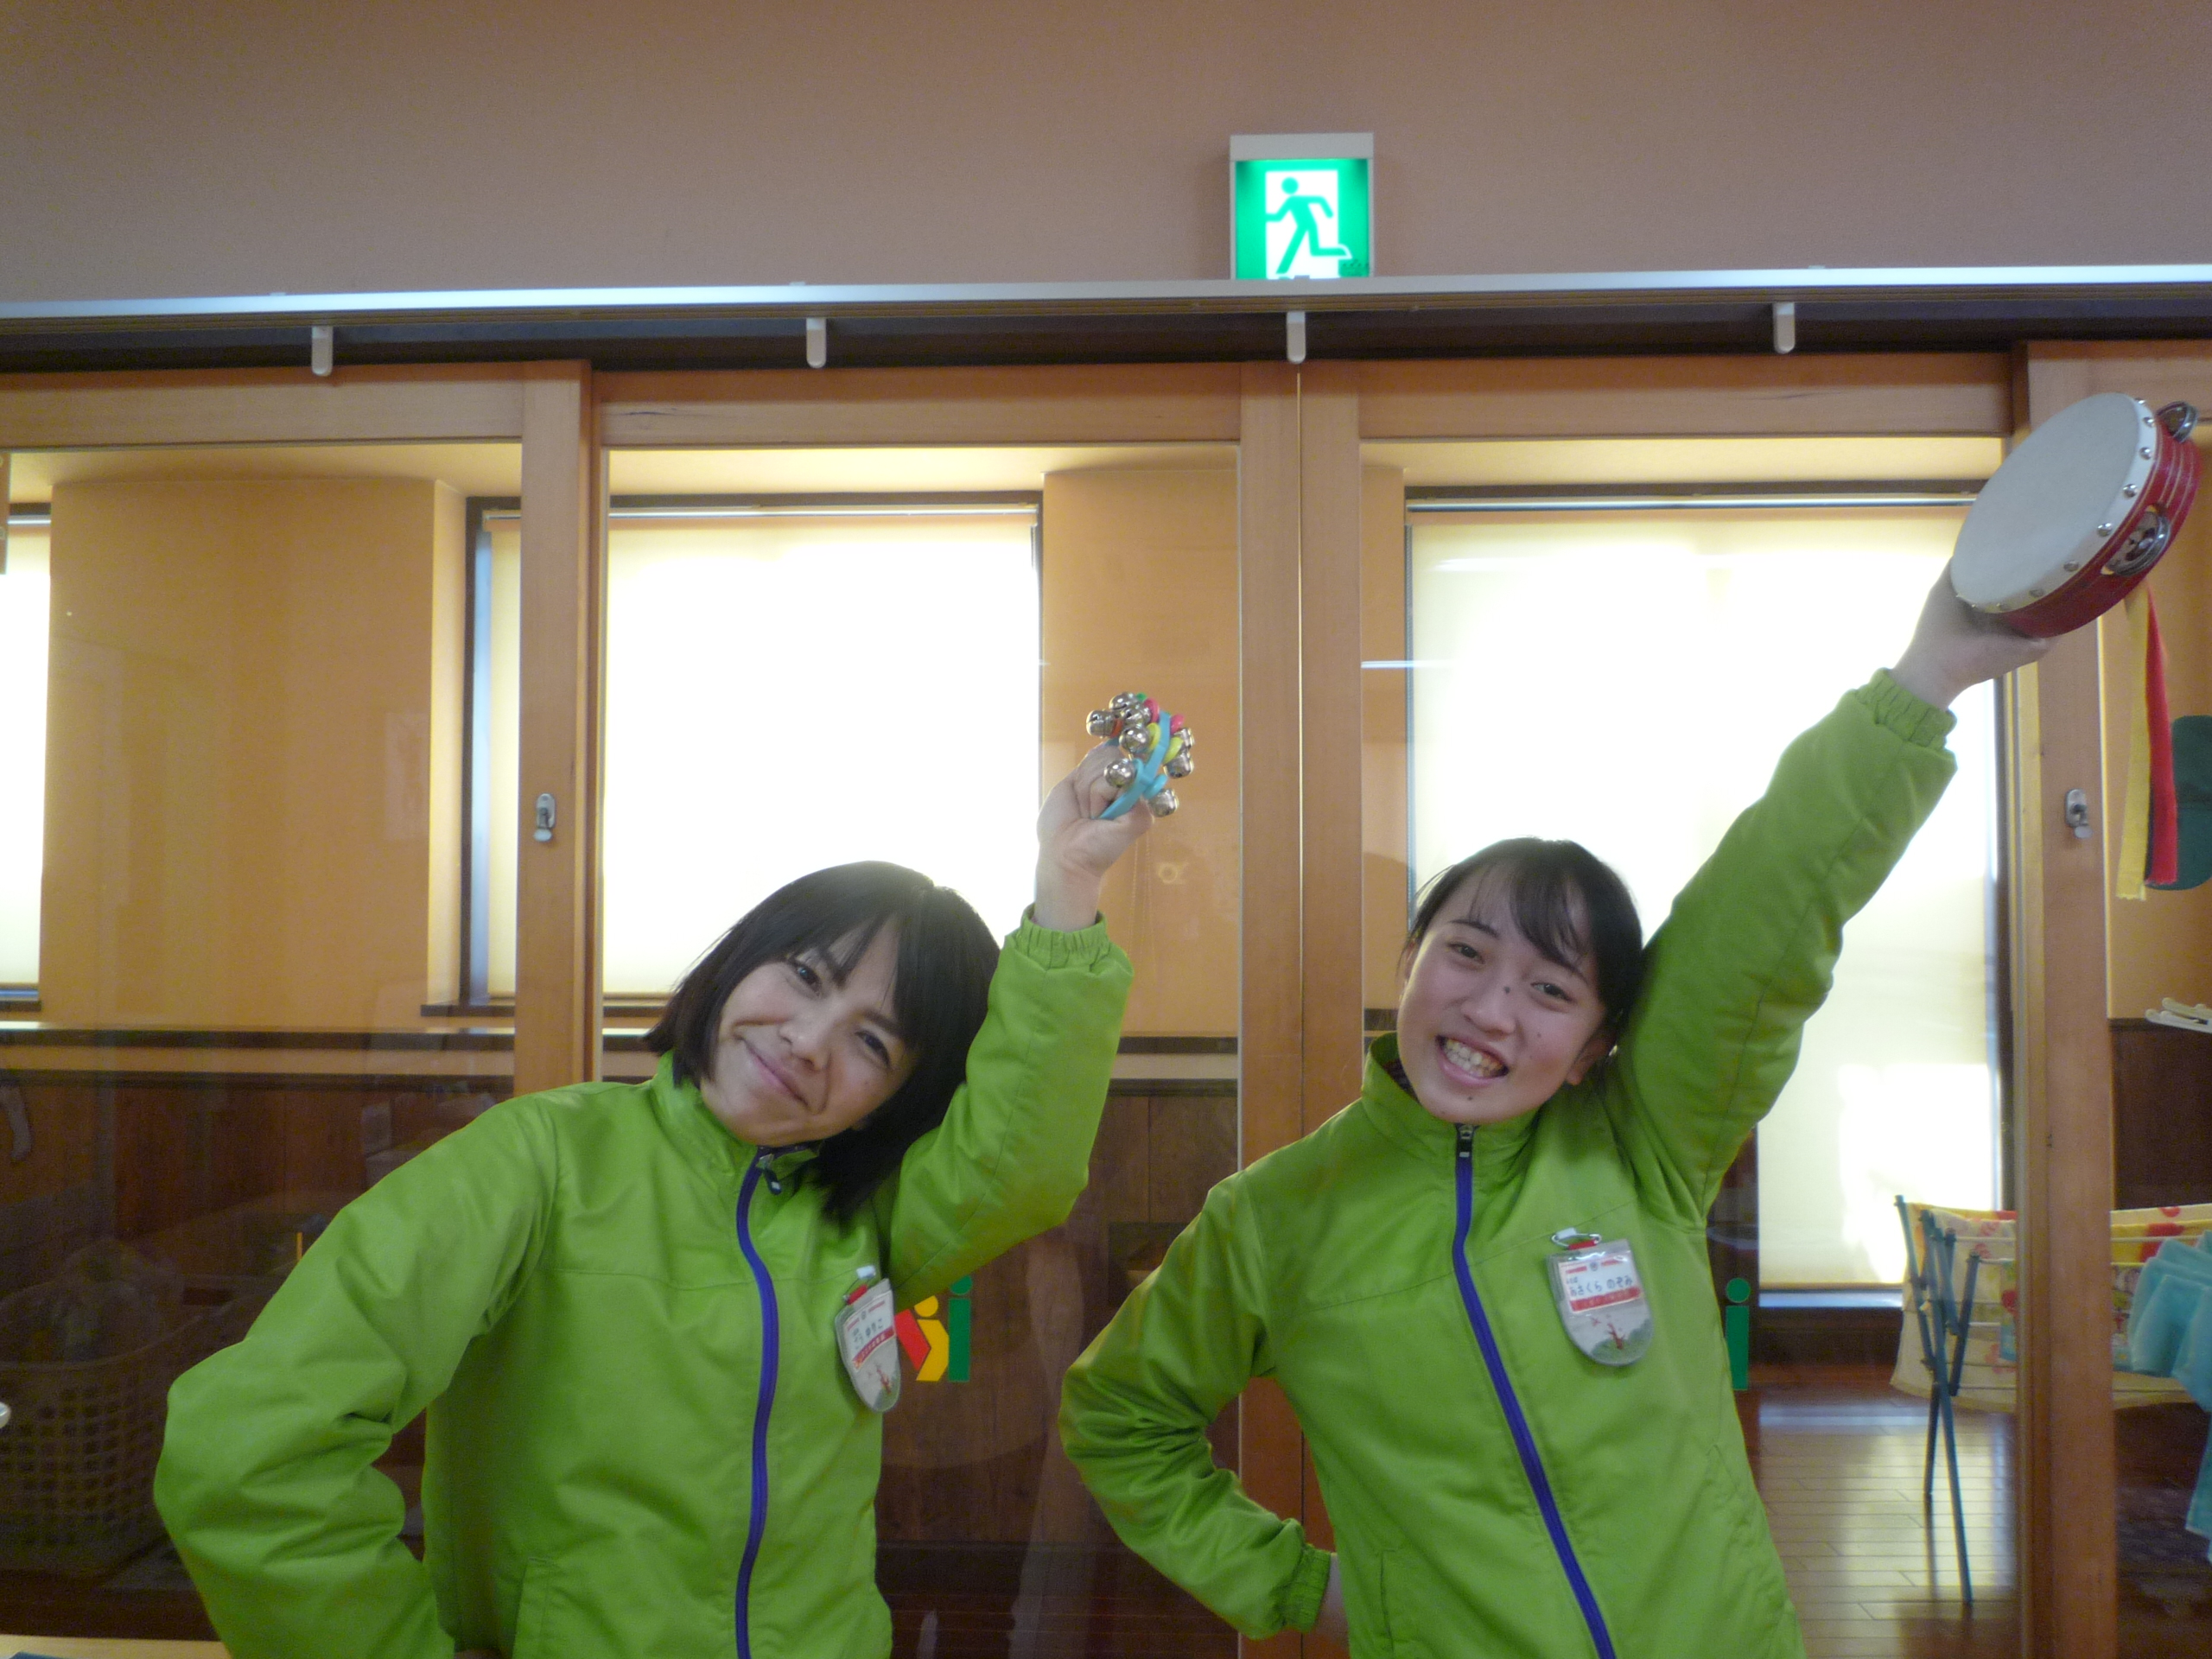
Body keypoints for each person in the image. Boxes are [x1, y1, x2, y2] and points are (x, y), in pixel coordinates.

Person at [1058, 574, 2044, 1658]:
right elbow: (1119, 1419)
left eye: (1549, 988)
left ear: (1594, 1048)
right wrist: (1297, 1585)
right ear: (1410, 960)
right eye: (1465, 953)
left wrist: (1927, 677)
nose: (1490, 1010)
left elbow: (1765, 906)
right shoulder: (1272, 1219)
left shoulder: (1643, 1144)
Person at [156, 744, 1153, 1659]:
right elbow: (248, 1455)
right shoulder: (539, 1162)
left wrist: (1066, 887)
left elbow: (1019, 1162)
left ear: (895, 1101)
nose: (807, 1041)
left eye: (870, 1042)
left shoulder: (861, 1221)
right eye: (806, 976)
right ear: (742, 955)